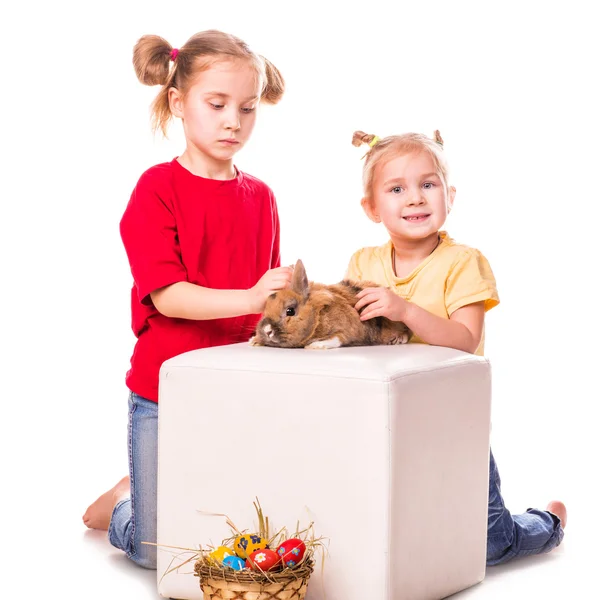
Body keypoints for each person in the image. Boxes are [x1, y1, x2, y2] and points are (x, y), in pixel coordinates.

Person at [82, 30, 293, 569]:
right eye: (217, 104)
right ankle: (126, 501)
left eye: (247, 108)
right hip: (164, 390)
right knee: (158, 553)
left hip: (237, 386)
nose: (233, 122)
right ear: (178, 102)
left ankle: (151, 495)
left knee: (237, 531)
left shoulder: (263, 197)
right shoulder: (156, 189)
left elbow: (268, 302)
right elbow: (170, 298)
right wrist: (250, 295)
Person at [347, 129, 566, 565]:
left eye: (428, 185)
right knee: (403, 516)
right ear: (372, 207)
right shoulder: (363, 263)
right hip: (391, 418)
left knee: (487, 541)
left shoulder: (463, 262)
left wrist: (405, 309)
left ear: (449, 195)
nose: (415, 199)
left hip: (453, 416)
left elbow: (465, 340)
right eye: (397, 189)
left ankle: (547, 522)